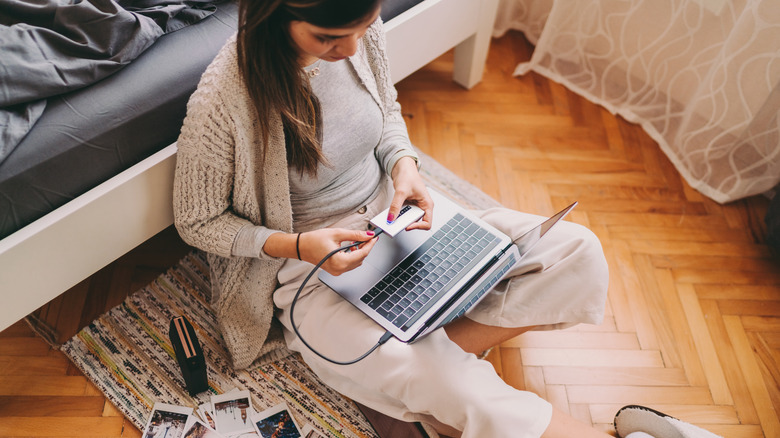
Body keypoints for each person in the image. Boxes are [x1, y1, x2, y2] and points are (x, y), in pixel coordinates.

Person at [172, 0, 612, 436]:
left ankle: (402, 384)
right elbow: (198, 221)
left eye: (358, 32)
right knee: (460, 387)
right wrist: (300, 246)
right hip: (311, 270)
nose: (348, 50)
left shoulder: (361, 30)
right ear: (274, 15)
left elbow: (385, 113)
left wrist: (405, 167)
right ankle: (420, 378)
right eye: (327, 38)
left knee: (579, 254)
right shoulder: (223, 99)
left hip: (397, 222)